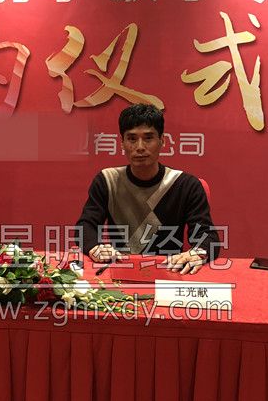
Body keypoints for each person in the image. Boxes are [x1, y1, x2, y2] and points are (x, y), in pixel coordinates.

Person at [76, 103, 220, 275]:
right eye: (132, 139)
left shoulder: (186, 184)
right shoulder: (107, 181)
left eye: (148, 138)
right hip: (120, 271)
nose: (140, 147)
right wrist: (95, 247)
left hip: (170, 272)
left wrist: (197, 253)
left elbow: (208, 236)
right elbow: (85, 227)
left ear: (162, 141)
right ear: (122, 143)